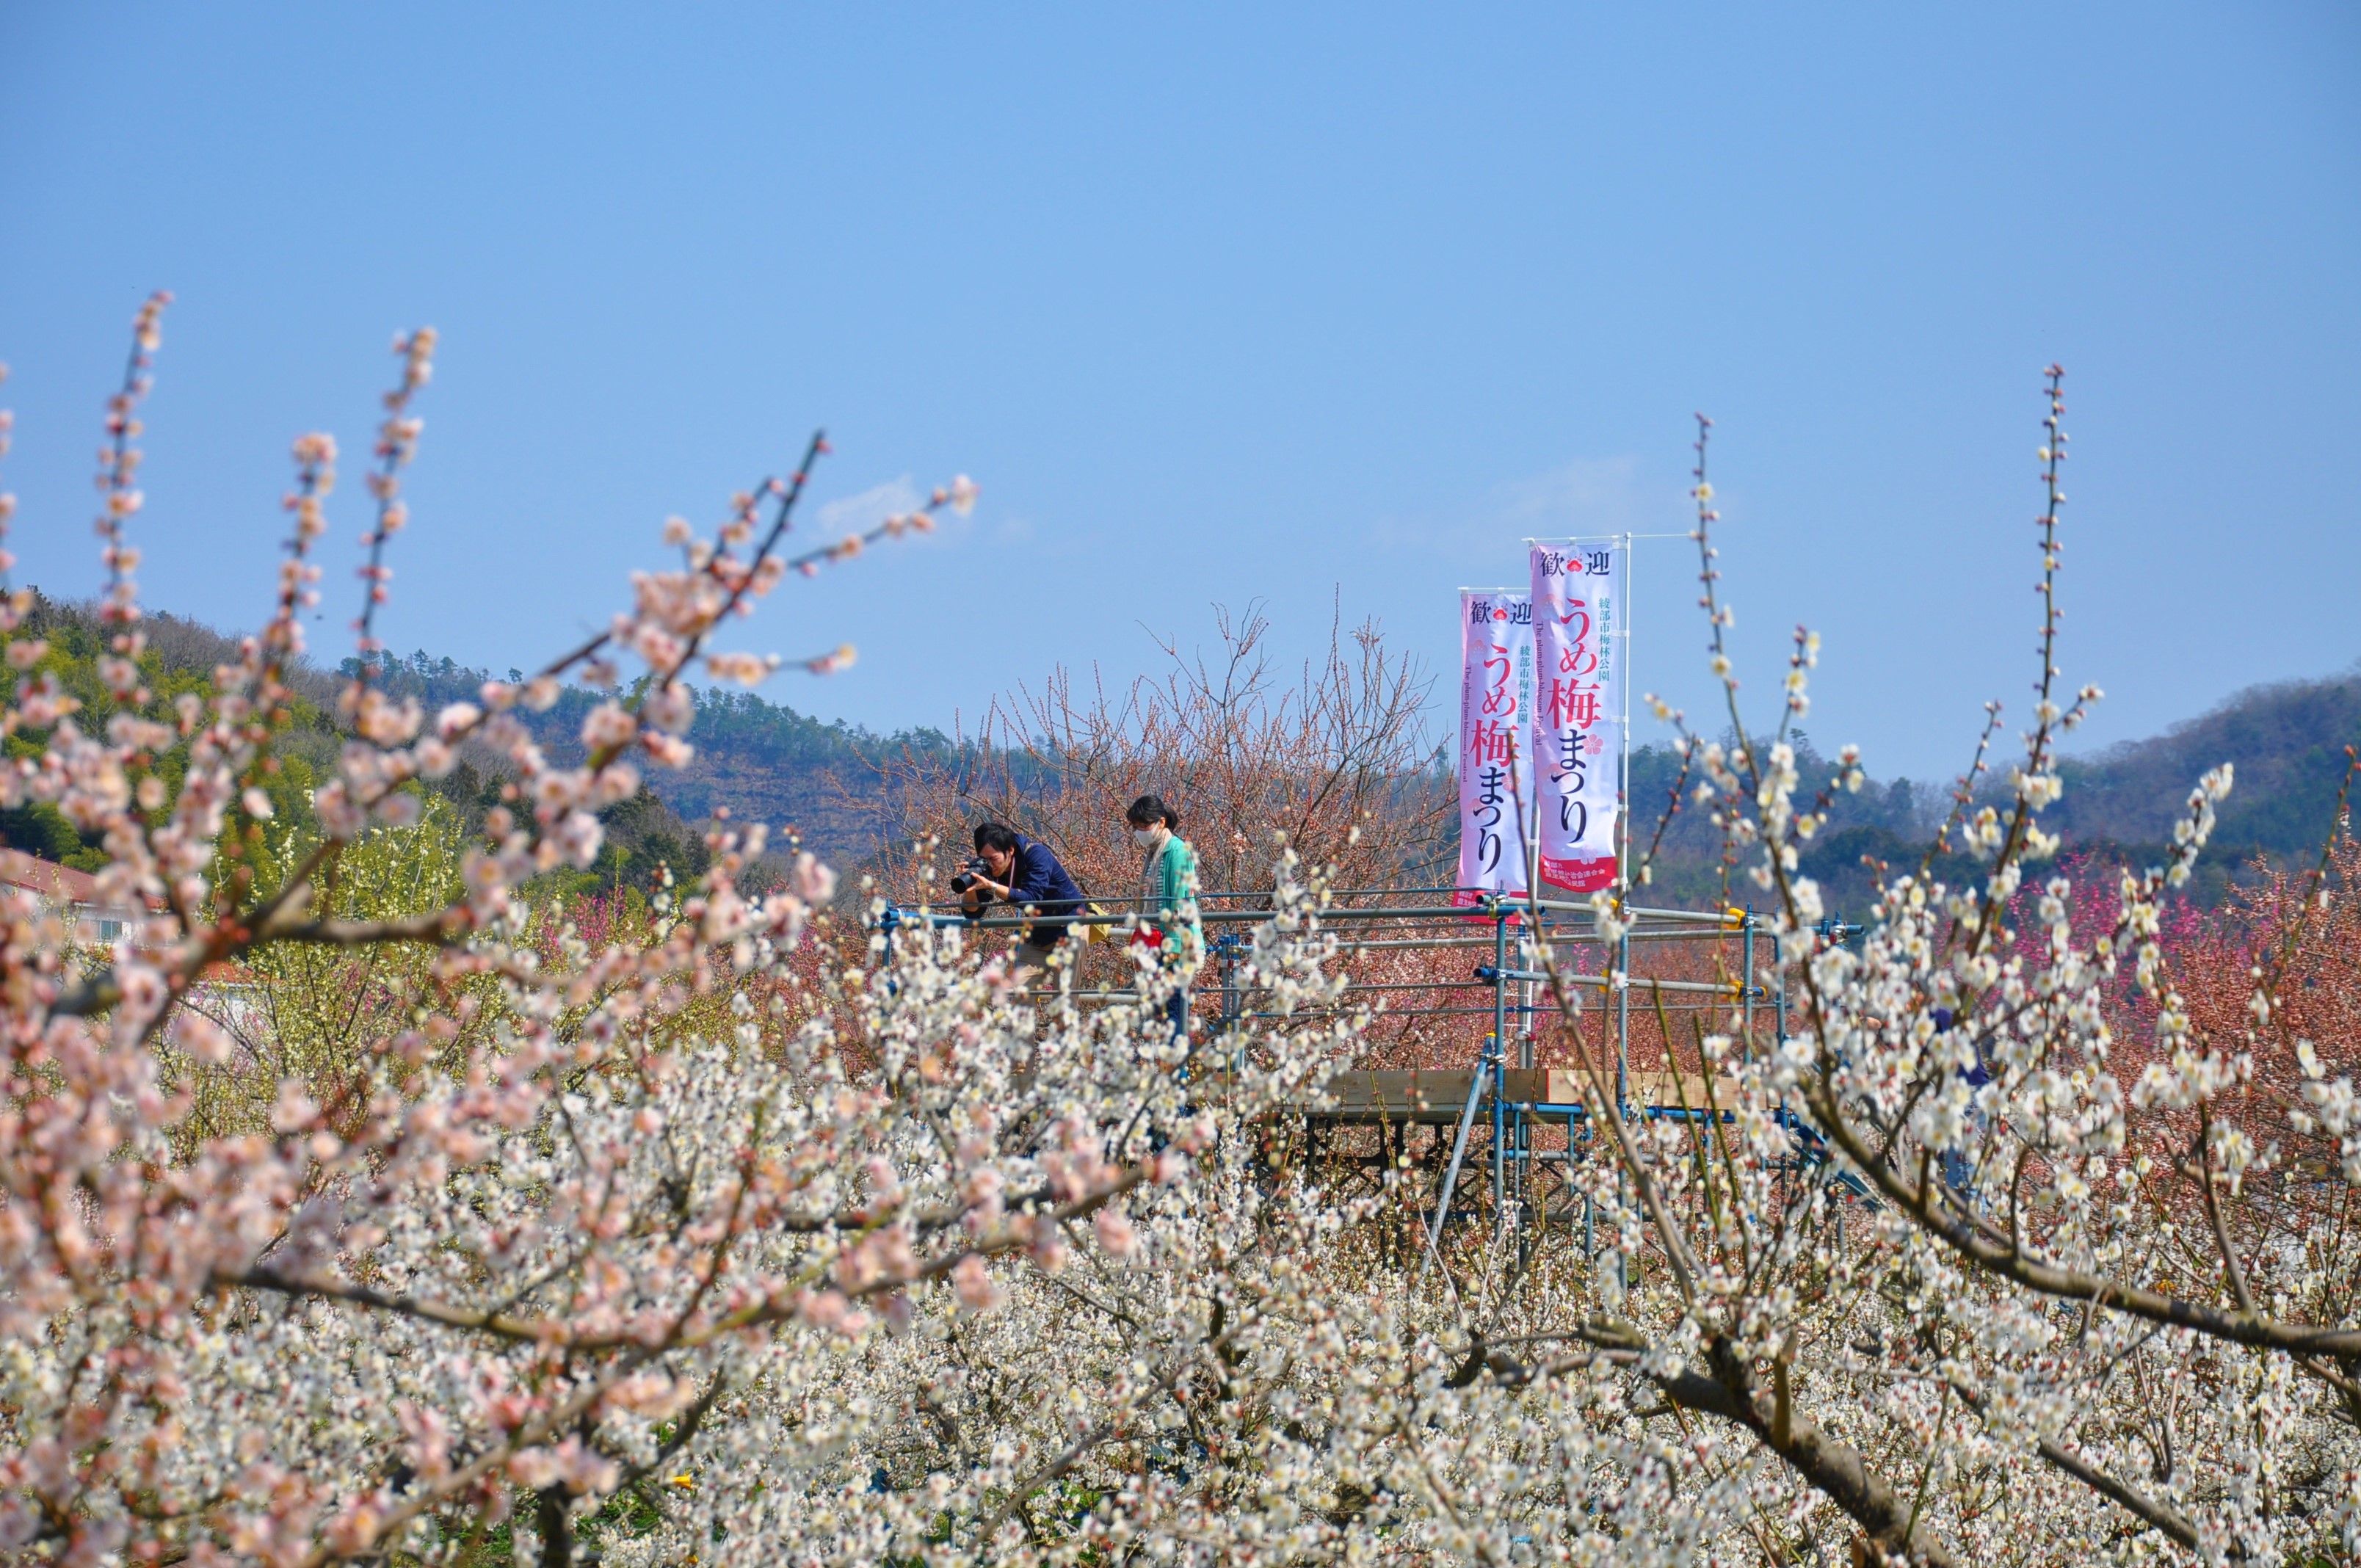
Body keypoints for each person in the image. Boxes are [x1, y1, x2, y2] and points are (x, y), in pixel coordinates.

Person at [959, 822, 1087, 980]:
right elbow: (974, 913)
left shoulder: (1036, 855)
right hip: (1037, 934)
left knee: (1064, 996)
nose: (990, 865)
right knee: (1020, 994)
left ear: (1011, 850)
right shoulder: (987, 867)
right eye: (984, 859)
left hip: (1069, 927)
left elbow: (1032, 898)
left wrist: (992, 886)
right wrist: (970, 887)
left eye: (993, 859)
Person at [1125, 793, 1201, 1046]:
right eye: (1136, 828)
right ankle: (1171, 1068)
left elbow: (1181, 900)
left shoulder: (1177, 851)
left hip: (1173, 944)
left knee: (1174, 1010)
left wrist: (1174, 946)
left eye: (1143, 826)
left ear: (1161, 822)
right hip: (1156, 942)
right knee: (1161, 1011)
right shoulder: (1154, 851)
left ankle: (1180, 1070)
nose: (1140, 833)